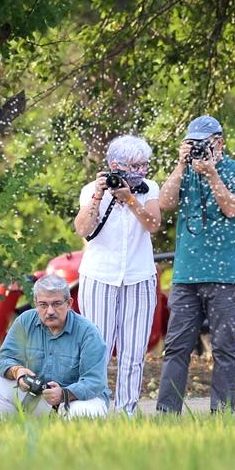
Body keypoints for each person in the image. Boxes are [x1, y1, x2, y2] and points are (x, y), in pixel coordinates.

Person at [156, 115, 235, 414]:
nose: (200, 149)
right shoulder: (184, 173)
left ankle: (222, 413)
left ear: (220, 143)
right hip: (186, 273)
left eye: (206, 143)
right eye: (194, 143)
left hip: (225, 274)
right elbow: (164, 203)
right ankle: (166, 413)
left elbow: (232, 208)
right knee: (176, 347)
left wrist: (211, 174)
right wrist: (180, 165)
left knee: (224, 347)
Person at [72, 134, 161, 416]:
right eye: (135, 166)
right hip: (99, 276)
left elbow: (153, 225)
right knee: (97, 349)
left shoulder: (149, 189)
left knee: (133, 351)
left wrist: (131, 200)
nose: (141, 171)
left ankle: (127, 412)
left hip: (139, 276)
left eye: (144, 165)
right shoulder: (91, 190)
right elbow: (83, 229)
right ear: (115, 165)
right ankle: (95, 407)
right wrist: (100, 194)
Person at [0, 274, 110, 418]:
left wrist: (64, 393)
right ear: (36, 303)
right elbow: (3, 358)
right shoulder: (25, 321)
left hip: (76, 400)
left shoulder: (88, 331)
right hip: (38, 397)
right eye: (43, 305)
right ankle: (13, 434)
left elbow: (95, 381)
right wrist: (18, 371)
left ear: (69, 303)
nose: (50, 311)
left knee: (81, 412)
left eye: (57, 303)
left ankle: (67, 438)